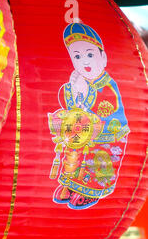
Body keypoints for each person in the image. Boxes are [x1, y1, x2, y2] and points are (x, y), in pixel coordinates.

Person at [48, 23, 130, 210]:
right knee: (72, 151)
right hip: (82, 133)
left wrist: (83, 96)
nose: (84, 61)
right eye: (77, 56)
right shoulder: (78, 81)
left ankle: (90, 190)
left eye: (90, 55)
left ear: (103, 57)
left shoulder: (108, 84)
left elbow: (106, 111)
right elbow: (71, 106)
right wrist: (73, 91)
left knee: (98, 158)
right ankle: (71, 185)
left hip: (107, 136)